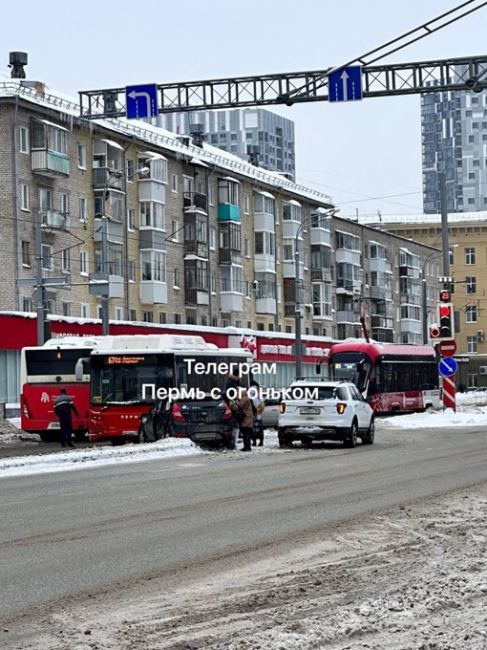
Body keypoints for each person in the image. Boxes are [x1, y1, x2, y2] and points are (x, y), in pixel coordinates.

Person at [248, 380, 264, 446]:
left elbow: (252, 401)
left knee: (253, 427)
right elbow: (262, 401)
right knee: (259, 427)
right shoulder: (258, 392)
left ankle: (254, 441)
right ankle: (261, 441)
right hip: (259, 410)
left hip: (254, 410)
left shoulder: (252, 391)